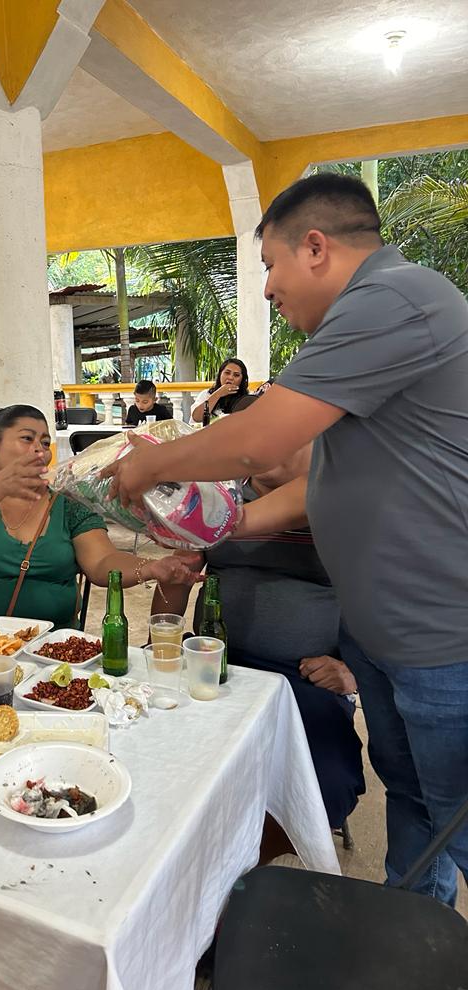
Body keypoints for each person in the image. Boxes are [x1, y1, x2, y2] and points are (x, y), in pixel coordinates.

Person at [105, 172, 468, 906]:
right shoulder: (363, 331)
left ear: (314, 247)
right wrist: (229, 523)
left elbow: (258, 443)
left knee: (456, 821)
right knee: (412, 801)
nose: (267, 289)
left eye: (269, 266)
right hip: (384, 634)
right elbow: (319, 482)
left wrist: (149, 463)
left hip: (442, 638)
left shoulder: (394, 300)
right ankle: (414, 935)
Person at [152, 436, 365, 829]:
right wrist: (158, 644)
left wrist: (352, 670)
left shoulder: (338, 499)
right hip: (211, 664)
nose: (265, 448)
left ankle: (250, 859)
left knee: (327, 786)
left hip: (302, 678)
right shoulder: (220, 499)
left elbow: (376, 595)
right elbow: (179, 577)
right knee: (153, 747)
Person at [0, 404, 202, 628]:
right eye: (27, 438)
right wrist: (1, 484)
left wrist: (151, 567)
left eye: (45, 442)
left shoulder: (66, 503)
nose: (39, 449)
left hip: (51, 649)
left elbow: (102, 561)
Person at [190, 358, 249, 423]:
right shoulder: (206, 394)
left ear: (242, 380)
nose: (230, 377)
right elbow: (197, 418)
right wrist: (218, 394)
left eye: (236, 375)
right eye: (227, 373)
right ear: (220, 374)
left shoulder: (246, 400)